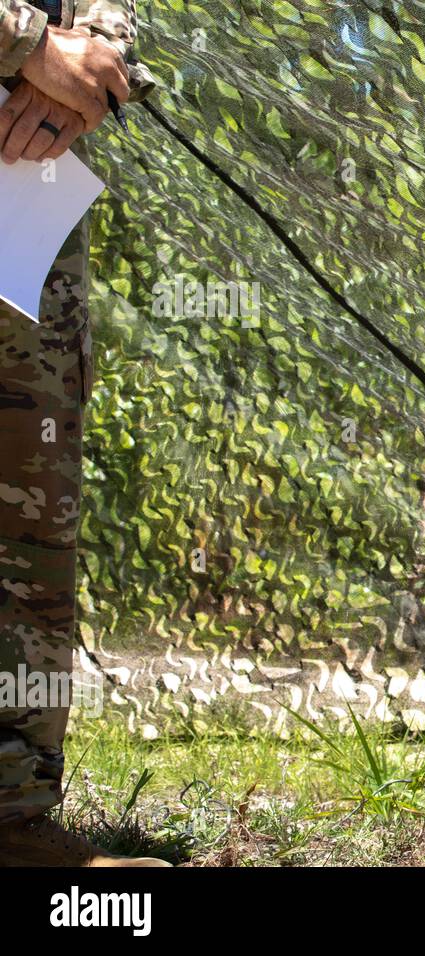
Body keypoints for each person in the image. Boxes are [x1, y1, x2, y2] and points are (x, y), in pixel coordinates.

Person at [0, 0, 163, 866]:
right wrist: (25, 44)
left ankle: (12, 821)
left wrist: (94, 57)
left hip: (35, 161)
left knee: (28, 501)